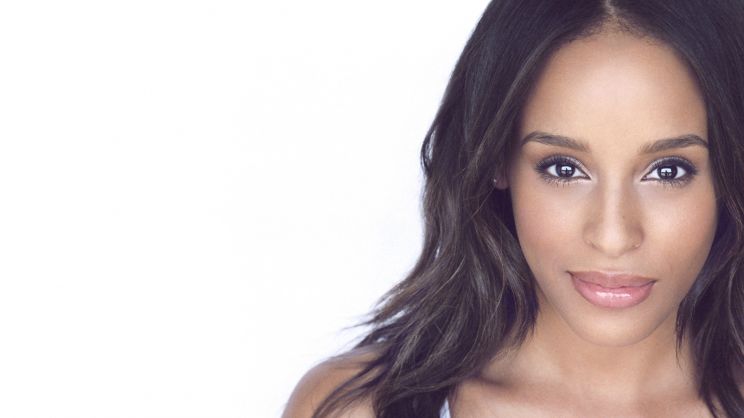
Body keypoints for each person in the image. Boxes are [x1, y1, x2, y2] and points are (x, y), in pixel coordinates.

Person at [283, 0, 744, 417]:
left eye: (668, 171)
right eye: (564, 169)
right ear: (497, 161)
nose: (613, 236)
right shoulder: (361, 409)